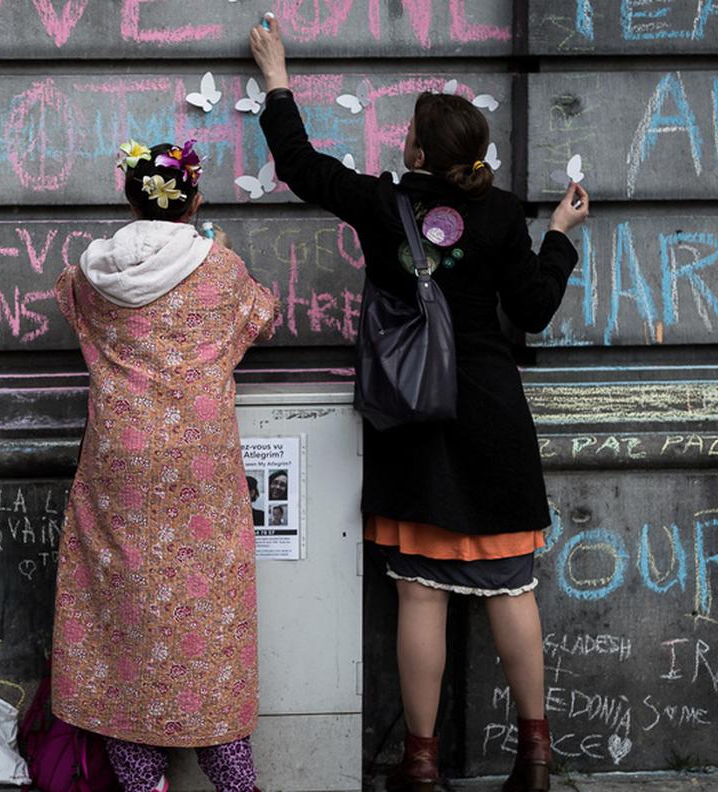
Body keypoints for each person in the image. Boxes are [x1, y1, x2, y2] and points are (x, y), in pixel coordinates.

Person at [249, 17, 589, 792]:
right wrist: (562, 234)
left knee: (421, 590)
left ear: (415, 151)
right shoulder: (504, 215)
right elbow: (532, 310)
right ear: (475, 155)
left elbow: (303, 166)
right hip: (492, 416)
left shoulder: (382, 205)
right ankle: (535, 757)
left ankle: (422, 767)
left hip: (413, 413)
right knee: (513, 582)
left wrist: (276, 80)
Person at [50, 138, 279, 792]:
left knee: (121, 619)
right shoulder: (222, 269)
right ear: (194, 199)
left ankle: (143, 782)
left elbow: (68, 300)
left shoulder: (91, 275)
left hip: (119, 467)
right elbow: (262, 317)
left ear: (129, 197)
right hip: (202, 467)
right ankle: (236, 781)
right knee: (210, 626)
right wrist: (215, 244)